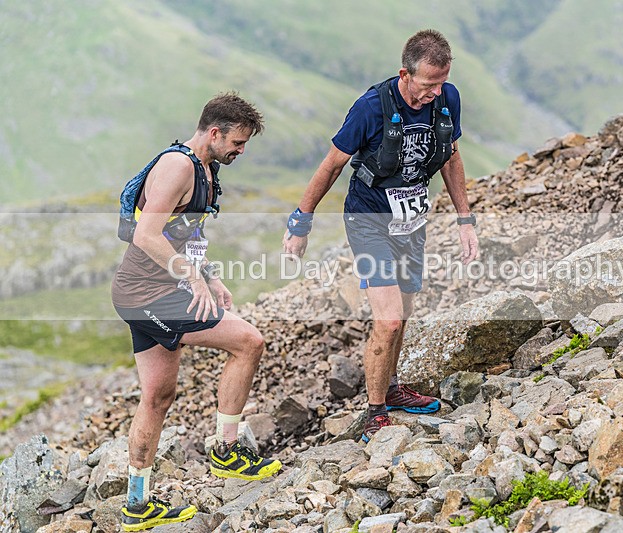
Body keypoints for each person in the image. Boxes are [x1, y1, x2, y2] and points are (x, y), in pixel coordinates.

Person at [282, 29, 479, 442]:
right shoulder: (371, 107)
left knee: (403, 311)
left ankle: (391, 389)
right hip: (368, 219)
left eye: (442, 82)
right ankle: (373, 413)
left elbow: (452, 157)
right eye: (428, 85)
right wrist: (301, 222)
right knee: (387, 321)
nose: (435, 93)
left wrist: (465, 219)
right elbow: (332, 165)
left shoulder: (448, 98)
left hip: (410, 220)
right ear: (404, 74)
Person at [112, 93, 281, 531]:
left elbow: (185, 233)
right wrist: (192, 278)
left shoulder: (206, 168)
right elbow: (147, 234)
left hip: (149, 292)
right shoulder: (178, 166)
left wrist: (211, 274)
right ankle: (226, 453)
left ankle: (136, 503)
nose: (241, 152)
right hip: (150, 294)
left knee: (158, 396)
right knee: (248, 341)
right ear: (214, 132)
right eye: (238, 143)